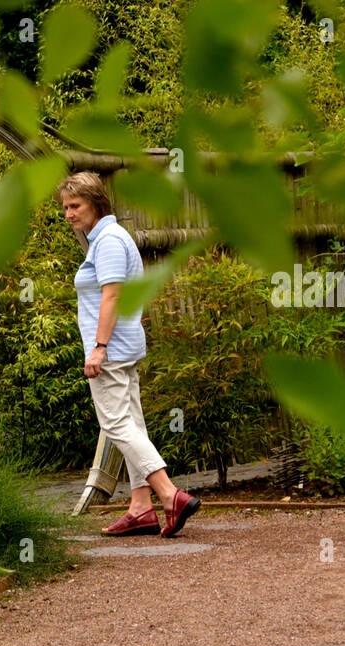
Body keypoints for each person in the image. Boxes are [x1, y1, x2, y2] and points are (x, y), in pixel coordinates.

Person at [58, 171, 201, 537]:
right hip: (124, 347)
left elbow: (113, 295)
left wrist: (99, 348)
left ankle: (170, 495)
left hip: (112, 350)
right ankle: (140, 508)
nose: (68, 214)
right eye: (65, 207)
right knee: (132, 425)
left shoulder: (106, 242)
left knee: (116, 424)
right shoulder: (110, 237)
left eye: (75, 206)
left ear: (96, 203)